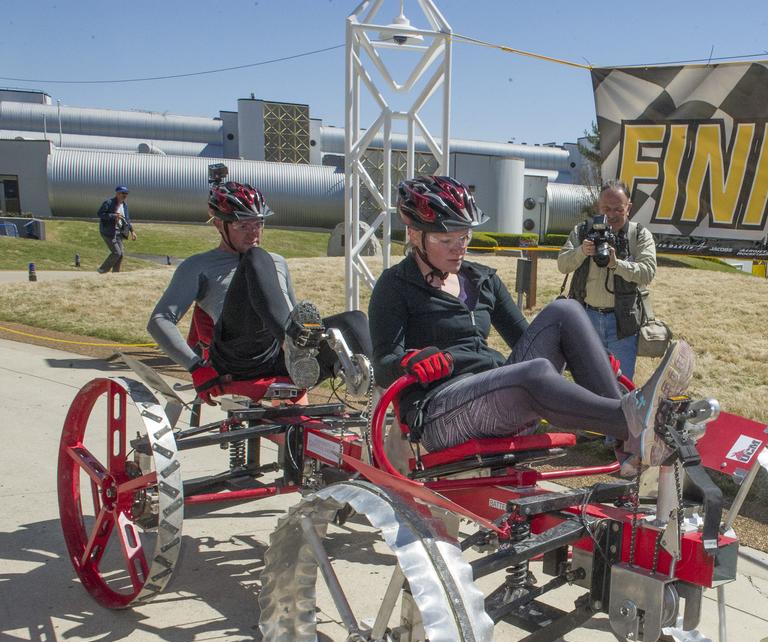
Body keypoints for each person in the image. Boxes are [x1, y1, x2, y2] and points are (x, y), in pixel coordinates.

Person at [369, 176, 693, 472]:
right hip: (440, 412)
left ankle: (629, 439)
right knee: (534, 373)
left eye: (465, 236)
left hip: (496, 393)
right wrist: (410, 361)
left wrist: (587, 354)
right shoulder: (396, 285)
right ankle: (633, 422)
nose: (460, 247)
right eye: (446, 239)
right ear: (415, 235)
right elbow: (383, 366)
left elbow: (531, 338)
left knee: (565, 311)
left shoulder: (482, 279)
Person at [147, 177, 369, 399]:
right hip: (239, 357)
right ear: (219, 224)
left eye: (258, 224)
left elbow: (289, 311)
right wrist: (195, 366)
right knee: (256, 257)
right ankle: (292, 344)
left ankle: (384, 392)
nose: (253, 233)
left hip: (281, 357)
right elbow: (160, 320)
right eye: (242, 225)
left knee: (354, 321)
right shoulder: (200, 265)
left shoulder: (278, 262)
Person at [556, 180, 658, 380]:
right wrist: (582, 251)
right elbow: (562, 264)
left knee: (620, 385)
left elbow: (648, 272)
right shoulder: (582, 231)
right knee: (587, 382)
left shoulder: (638, 234)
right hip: (586, 319)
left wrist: (617, 264)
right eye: (606, 208)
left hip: (623, 323)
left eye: (618, 209)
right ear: (598, 206)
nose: (611, 215)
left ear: (629, 207)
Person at [96, 185, 137, 273]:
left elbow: (127, 219)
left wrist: (132, 231)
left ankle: (115, 273)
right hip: (108, 232)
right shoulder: (109, 203)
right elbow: (100, 214)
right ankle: (102, 270)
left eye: (126, 193)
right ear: (117, 193)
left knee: (121, 254)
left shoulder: (125, 205)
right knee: (116, 253)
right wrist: (114, 216)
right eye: (123, 193)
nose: (125, 195)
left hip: (119, 232)